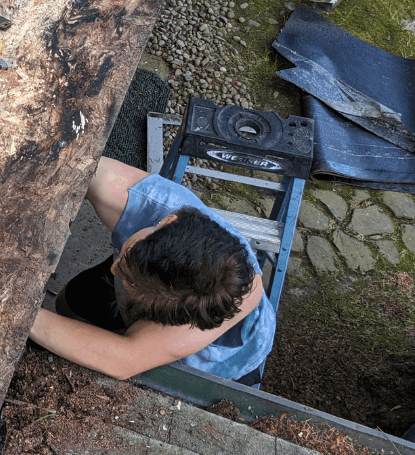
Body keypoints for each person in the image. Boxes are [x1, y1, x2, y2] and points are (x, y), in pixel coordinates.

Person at [29, 156, 275, 384]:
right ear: (167, 222)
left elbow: (124, 360)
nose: (115, 268)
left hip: (216, 354)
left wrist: (17, 315)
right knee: (69, 302)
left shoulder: (197, 312)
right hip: (155, 281)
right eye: (126, 257)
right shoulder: (152, 202)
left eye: (132, 283)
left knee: (139, 379)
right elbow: (76, 164)